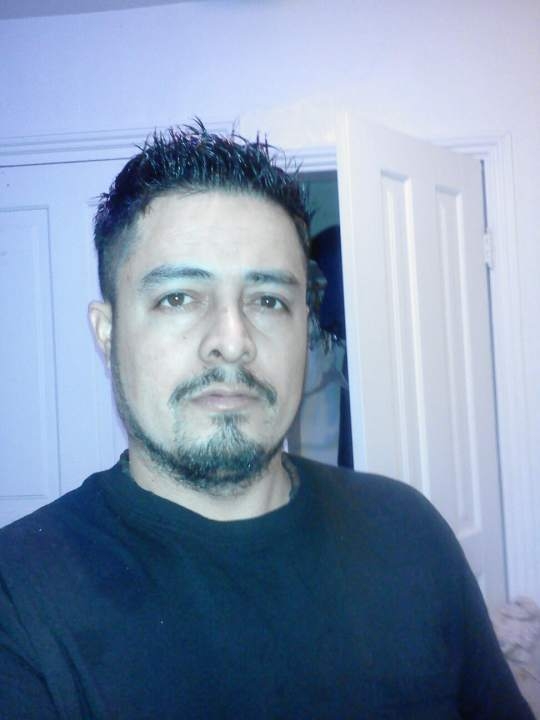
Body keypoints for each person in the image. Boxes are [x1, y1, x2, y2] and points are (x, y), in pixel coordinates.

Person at [0, 123, 533, 720]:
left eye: (269, 300)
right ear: (107, 333)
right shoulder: (19, 596)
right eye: (178, 297)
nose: (233, 342)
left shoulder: (409, 530)